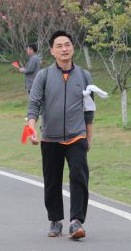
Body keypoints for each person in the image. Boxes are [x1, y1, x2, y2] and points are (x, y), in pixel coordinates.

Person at [27, 30, 94, 240]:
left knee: (79, 178)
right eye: (59, 46)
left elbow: (89, 110)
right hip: (50, 138)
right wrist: (31, 129)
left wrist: (88, 138)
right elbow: (34, 105)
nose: (64, 49)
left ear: (73, 48)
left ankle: (76, 222)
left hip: (76, 137)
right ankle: (55, 220)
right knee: (52, 181)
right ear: (52, 51)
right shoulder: (44, 75)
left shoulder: (84, 76)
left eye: (67, 45)